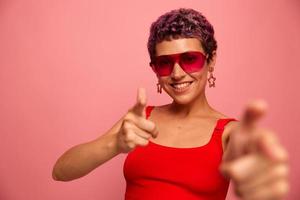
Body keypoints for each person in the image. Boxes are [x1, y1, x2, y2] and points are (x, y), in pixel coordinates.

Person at [52, 8, 289, 200]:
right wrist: (114, 143)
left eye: (189, 59)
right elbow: (61, 171)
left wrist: (260, 177)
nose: (177, 73)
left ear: (211, 60)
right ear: (154, 70)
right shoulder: (140, 120)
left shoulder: (229, 133)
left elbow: (254, 167)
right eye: (164, 63)